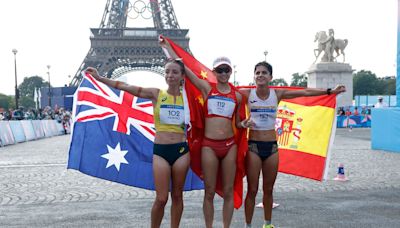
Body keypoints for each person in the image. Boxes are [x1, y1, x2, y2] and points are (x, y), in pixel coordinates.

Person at [239, 61, 346, 228]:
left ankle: (267, 224)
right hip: (253, 146)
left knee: (268, 190)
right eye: (257, 72)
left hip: (272, 148)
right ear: (254, 76)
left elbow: (305, 91)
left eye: (264, 73)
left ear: (270, 77)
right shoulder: (246, 93)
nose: (260, 75)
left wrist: (330, 91)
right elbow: (225, 94)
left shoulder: (278, 93)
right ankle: (248, 225)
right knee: (252, 190)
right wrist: (241, 123)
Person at [85, 59, 190, 228]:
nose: (170, 75)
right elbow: (125, 87)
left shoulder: (188, 99)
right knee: (161, 198)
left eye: (175, 72)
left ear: (182, 76)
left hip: (181, 151)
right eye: (167, 72)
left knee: (177, 196)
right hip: (161, 151)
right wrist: (100, 78)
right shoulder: (157, 94)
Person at [160, 38, 244, 228]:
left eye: (226, 70)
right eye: (219, 70)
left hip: (229, 145)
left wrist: (244, 123)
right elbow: (186, 72)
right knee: (209, 191)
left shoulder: (238, 95)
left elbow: (238, 123)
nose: (223, 73)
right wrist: (168, 49)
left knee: (229, 190)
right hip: (209, 145)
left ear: (231, 72)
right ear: (214, 72)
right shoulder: (207, 88)